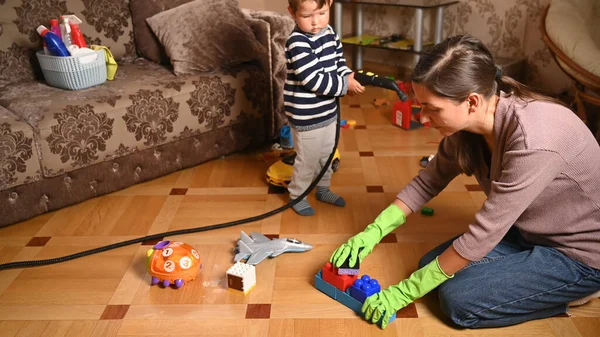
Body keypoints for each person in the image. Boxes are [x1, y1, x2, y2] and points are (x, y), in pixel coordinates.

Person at [330, 34, 600, 329]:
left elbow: (484, 232)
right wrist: (373, 232)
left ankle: (569, 293)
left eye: (432, 108)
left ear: (471, 101)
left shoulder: (533, 141)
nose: (423, 118)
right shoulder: (467, 127)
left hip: (579, 254)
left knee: (459, 302)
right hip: (528, 231)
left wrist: (404, 292)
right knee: (429, 269)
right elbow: (428, 182)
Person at [284, 0, 365, 216]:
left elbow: (339, 61)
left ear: (329, 5)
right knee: (308, 159)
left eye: (321, 13)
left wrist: (347, 74)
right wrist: (344, 86)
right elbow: (313, 80)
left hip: (328, 112)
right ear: (292, 13)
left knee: (327, 154)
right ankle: (297, 195)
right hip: (306, 115)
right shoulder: (297, 42)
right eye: (307, 16)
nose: (315, 22)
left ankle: (323, 189)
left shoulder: (329, 32)